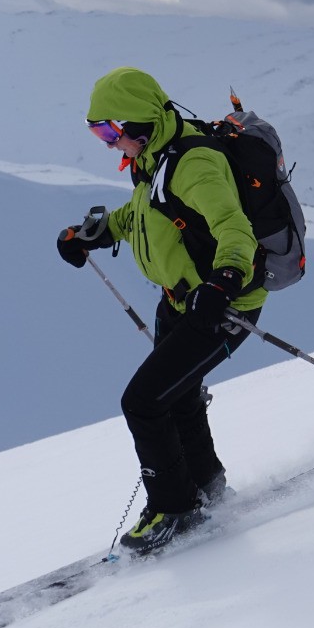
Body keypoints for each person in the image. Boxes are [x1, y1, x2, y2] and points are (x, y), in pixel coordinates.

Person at [57, 66, 267, 554]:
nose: (108, 143)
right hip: (182, 299)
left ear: (138, 121)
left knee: (143, 402)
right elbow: (146, 216)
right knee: (180, 395)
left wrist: (223, 282)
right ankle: (209, 491)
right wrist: (96, 232)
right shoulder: (154, 157)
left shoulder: (192, 163)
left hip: (222, 306)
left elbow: (234, 228)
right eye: (97, 132)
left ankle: (173, 509)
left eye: (110, 131)